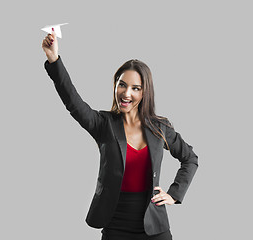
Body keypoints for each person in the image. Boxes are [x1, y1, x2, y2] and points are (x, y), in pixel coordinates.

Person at [42, 30, 198, 240]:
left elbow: (190, 159)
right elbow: (73, 102)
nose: (126, 93)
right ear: (115, 84)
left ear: (144, 93)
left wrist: (174, 194)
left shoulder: (159, 127)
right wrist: (54, 59)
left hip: (154, 226)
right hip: (115, 225)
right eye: (122, 85)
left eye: (135, 88)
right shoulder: (103, 124)